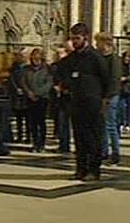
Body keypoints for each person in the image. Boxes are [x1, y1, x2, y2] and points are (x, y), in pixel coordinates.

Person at [56, 23, 110, 181]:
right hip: (76, 101)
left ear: (85, 37)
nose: (74, 41)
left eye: (77, 38)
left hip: (92, 101)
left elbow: (105, 78)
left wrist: (104, 98)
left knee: (93, 137)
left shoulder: (95, 56)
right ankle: (81, 168)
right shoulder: (72, 58)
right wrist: (65, 84)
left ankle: (94, 169)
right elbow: (61, 71)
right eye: (72, 38)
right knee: (79, 137)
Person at [95, 33, 124, 165]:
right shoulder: (99, 58)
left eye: (98, 42)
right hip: (100, 94)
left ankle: (115, 152)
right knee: (102, 125)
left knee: (110, 125)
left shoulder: (114, 59)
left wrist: (107, 97)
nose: (96, 45)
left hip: (111, 96)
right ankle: (104, 151)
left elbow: (114, 79)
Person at [20, 48, 53, 153]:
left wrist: (38, 93)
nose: (36, 59)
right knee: (32, 122)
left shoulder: (47, 69)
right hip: (30, 98)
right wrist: (29, 93)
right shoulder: (26, 69)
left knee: (41, 122)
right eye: (34, 57)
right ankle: (35, 143)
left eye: (38, 57)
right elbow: (23, 82)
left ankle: (42, 144)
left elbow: (48, 83)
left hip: (42, 98)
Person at [52, 43, 74, 156]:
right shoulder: (62, 63)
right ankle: (64, 145)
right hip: (64, 97)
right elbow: (57, 76)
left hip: (77, 97)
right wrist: (59, 86)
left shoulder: (82, 61)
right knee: (63, 122)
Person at [6, 49, 29, 143]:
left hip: (26, 94)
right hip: (16, 94)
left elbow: (28, 79)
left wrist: (24, 89)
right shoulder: (13, 68)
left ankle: (28, 136)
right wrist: (16, 89)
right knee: (18, 117)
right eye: (18, 55)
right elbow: (11, 79)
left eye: (22, 55)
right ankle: (19, 136)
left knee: (28, 118)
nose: (19, 57)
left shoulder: (28, 68)